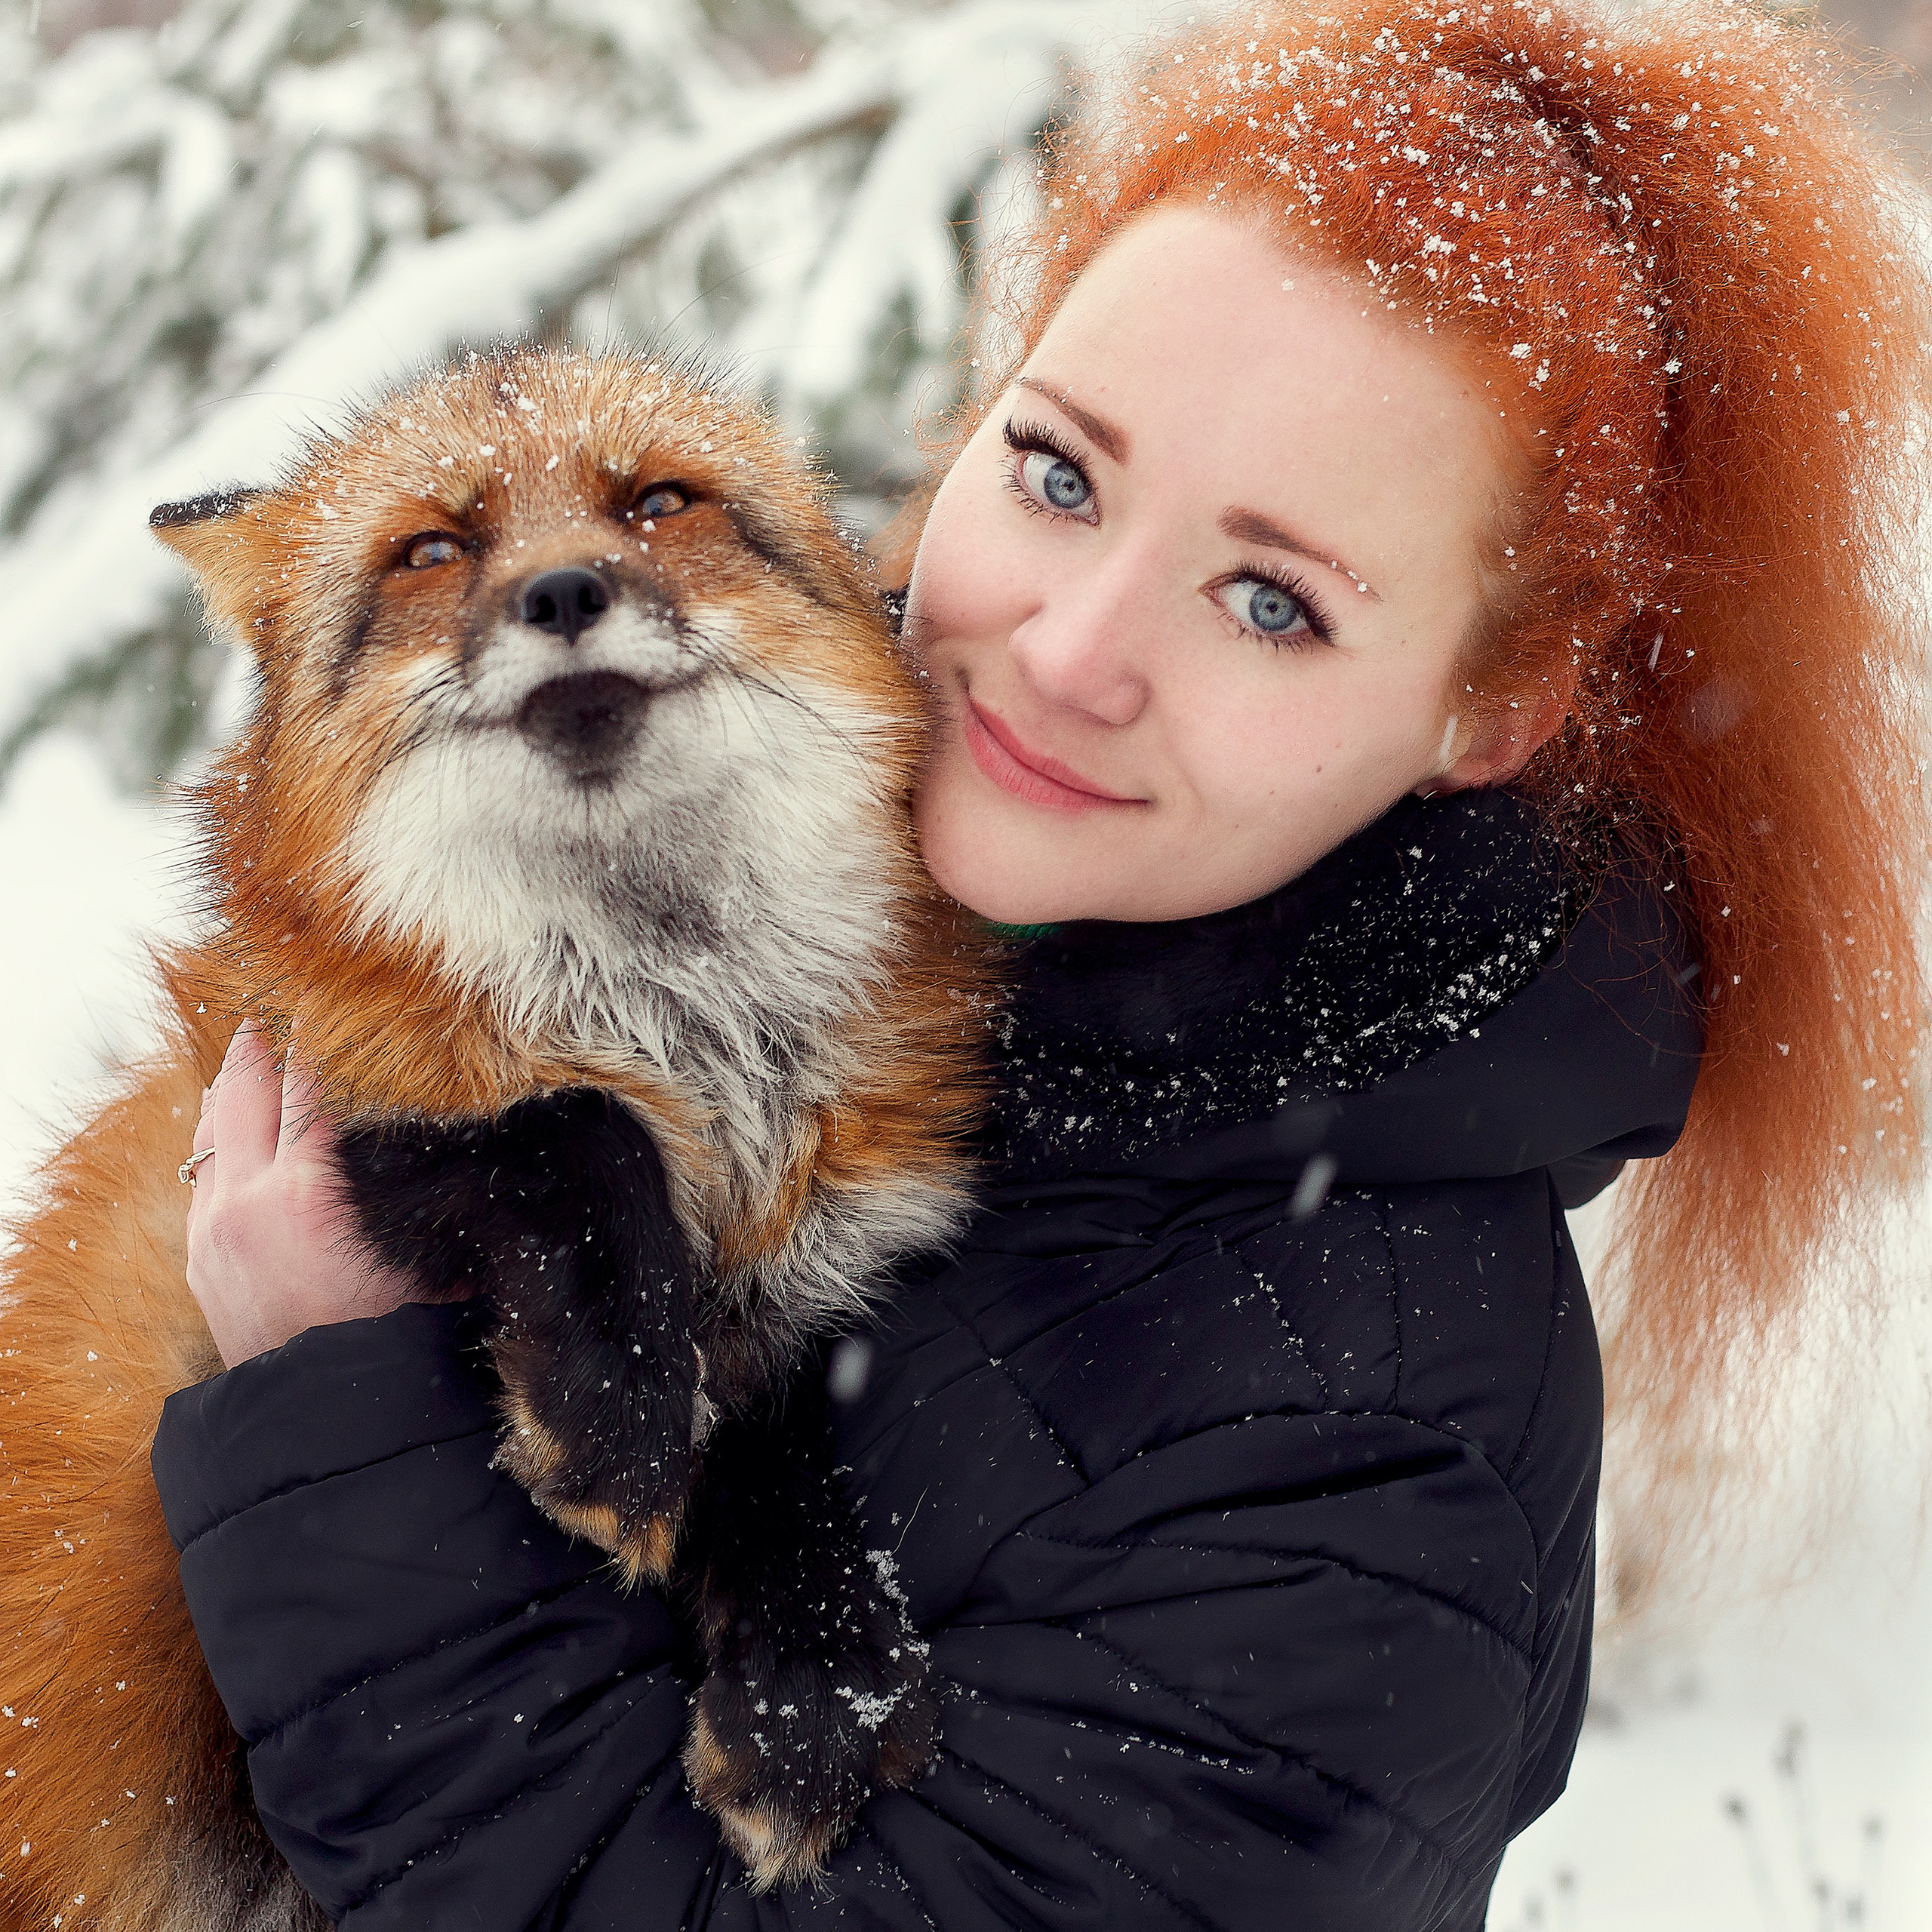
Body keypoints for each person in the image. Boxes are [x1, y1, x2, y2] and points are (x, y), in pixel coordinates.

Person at [152, 0, 1929, 1924]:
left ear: (1484, 707)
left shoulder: (1369, 1460)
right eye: (1061, 473)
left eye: (1271, 600)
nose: (1070, 653)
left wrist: (347, 1418)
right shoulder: (879, 932)